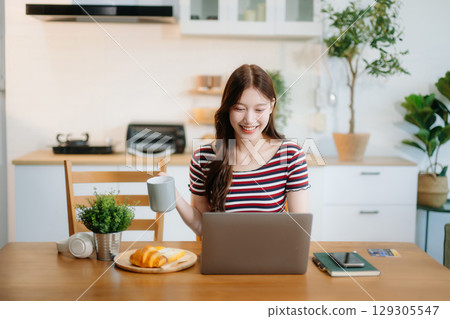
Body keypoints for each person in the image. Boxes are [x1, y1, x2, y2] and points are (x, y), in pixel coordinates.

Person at [173, 64, 310, 236]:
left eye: (259, 109)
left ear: (271, 106)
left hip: (272, 259)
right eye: (239, 108)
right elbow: (203, 228)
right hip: (222, 259)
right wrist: (175, 197)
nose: (249, 119)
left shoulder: (291, 156)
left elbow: (299, 229)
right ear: (227, 107)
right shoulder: (204, 158)